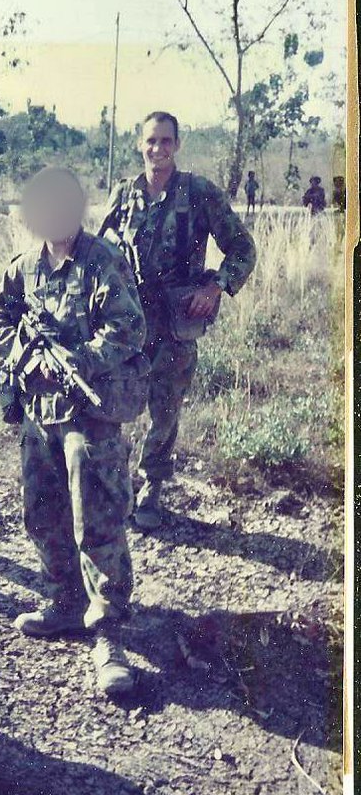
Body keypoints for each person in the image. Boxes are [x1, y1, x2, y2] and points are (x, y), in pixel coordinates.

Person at [0, 167, 147, 697]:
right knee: (42, 511)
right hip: (39, 414)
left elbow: (128, 328)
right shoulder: (25, 267)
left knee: (96, 517)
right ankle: (63, 602)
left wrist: (78, 360)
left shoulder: (102, 262)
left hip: (88, 416)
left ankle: (108, 633)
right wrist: (23, 356)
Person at [100, 111, 256, 531]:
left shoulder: (199, 193)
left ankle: (152, 487)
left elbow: (243, 248)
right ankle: (118, 485)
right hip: (128, 323)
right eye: (151, 141)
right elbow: (96, 253)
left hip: (175, 322)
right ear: (140, 144)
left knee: (164, 410)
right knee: (116, 404)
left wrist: (215, 287)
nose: (158, 149)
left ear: (177, 145)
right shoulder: (123, 194)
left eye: (166, 141)